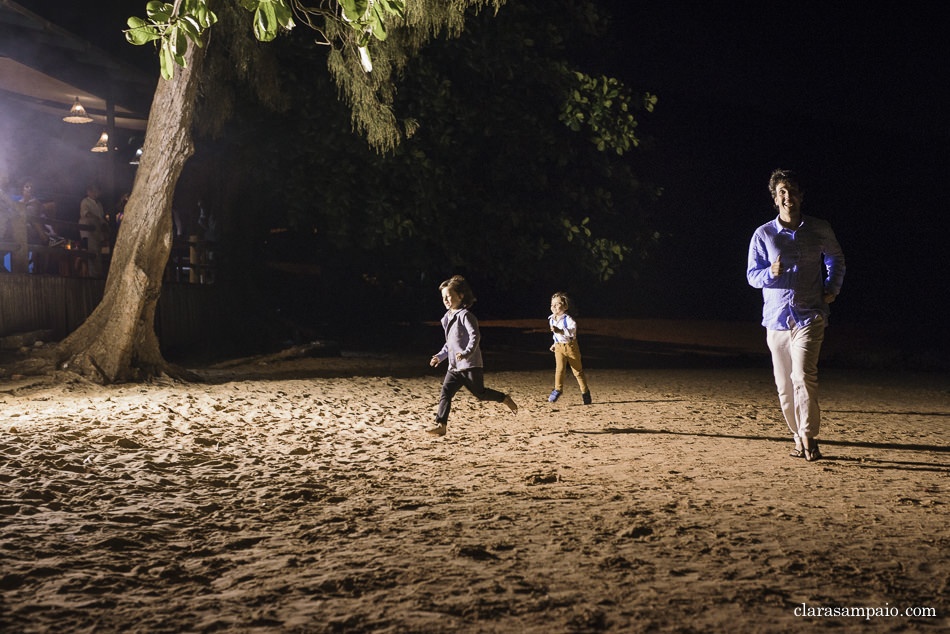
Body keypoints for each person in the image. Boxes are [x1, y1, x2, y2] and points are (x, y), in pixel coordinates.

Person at [747, 169, 845, 462]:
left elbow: (836, 258)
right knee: (784, 386)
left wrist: (832, 287)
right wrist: (770, 272)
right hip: (776, 318)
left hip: (810, 314)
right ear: (775, 199)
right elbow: (752, 276)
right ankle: (796, 436)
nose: (788, 197)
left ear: (801, 196)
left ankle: (809, 437)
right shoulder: (763, 234)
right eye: (782, 192)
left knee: (803, 375)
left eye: (792, 191)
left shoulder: (819, 228)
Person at [427, 275, 518, 436]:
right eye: (443, 297)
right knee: (445, 393)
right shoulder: (447, 318)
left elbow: (475, 336)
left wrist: (467, 352)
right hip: (454, 367)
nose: (446, 300)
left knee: (480, 394)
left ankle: (504, 398)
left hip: (470, 365)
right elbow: (450, 343)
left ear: (460, 296)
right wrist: (440, 357)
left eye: (449, 296)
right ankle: (441, 425)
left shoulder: (466, 316)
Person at [548, 292, 591, 404]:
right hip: (559, 348)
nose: (554, 307)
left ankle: (585, 392)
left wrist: (560, 331)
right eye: (552, 305)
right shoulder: (551, 319)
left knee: (577, 371)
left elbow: (572, 333)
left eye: (558, 304)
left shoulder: (568, 320)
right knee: (559, 370)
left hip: (571, 347)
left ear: (565, 306)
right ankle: (557, 389)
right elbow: (555, 336)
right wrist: (554, 344)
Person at [79, 184, 109, 277]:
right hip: (87, 231)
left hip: (97, 232)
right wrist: (97, 220)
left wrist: (104, 223)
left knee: (97, 253)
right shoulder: (85, 202)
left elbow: (101, 217)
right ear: (89, 192)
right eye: (94, 191)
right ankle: (90, 275)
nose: (96, 194)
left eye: (97, 192)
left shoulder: (99, 204)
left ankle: (96, 274)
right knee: (88, 253)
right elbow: (86, 213)